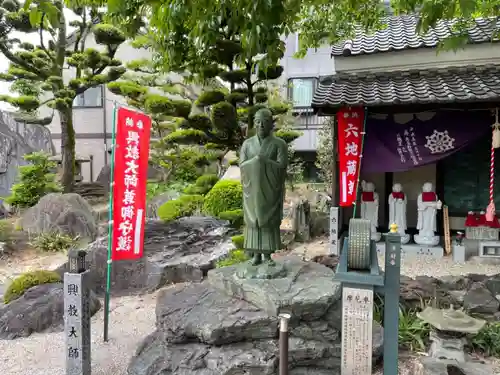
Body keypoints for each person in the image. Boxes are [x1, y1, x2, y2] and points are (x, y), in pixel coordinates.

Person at [239, 108, 288, 266]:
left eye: (265, 122)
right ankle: (256, 255)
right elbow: (242, 166)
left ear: (271, 124)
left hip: (270, 191)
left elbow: (282, 167)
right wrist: (256, 163)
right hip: (252, 191)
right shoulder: (247, 144)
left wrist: (264, 162)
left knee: (268, 221)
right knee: (253, 221)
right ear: (254, 123)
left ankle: (267, 256)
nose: (261, 125)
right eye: (258, 121)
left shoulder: (279, 144)